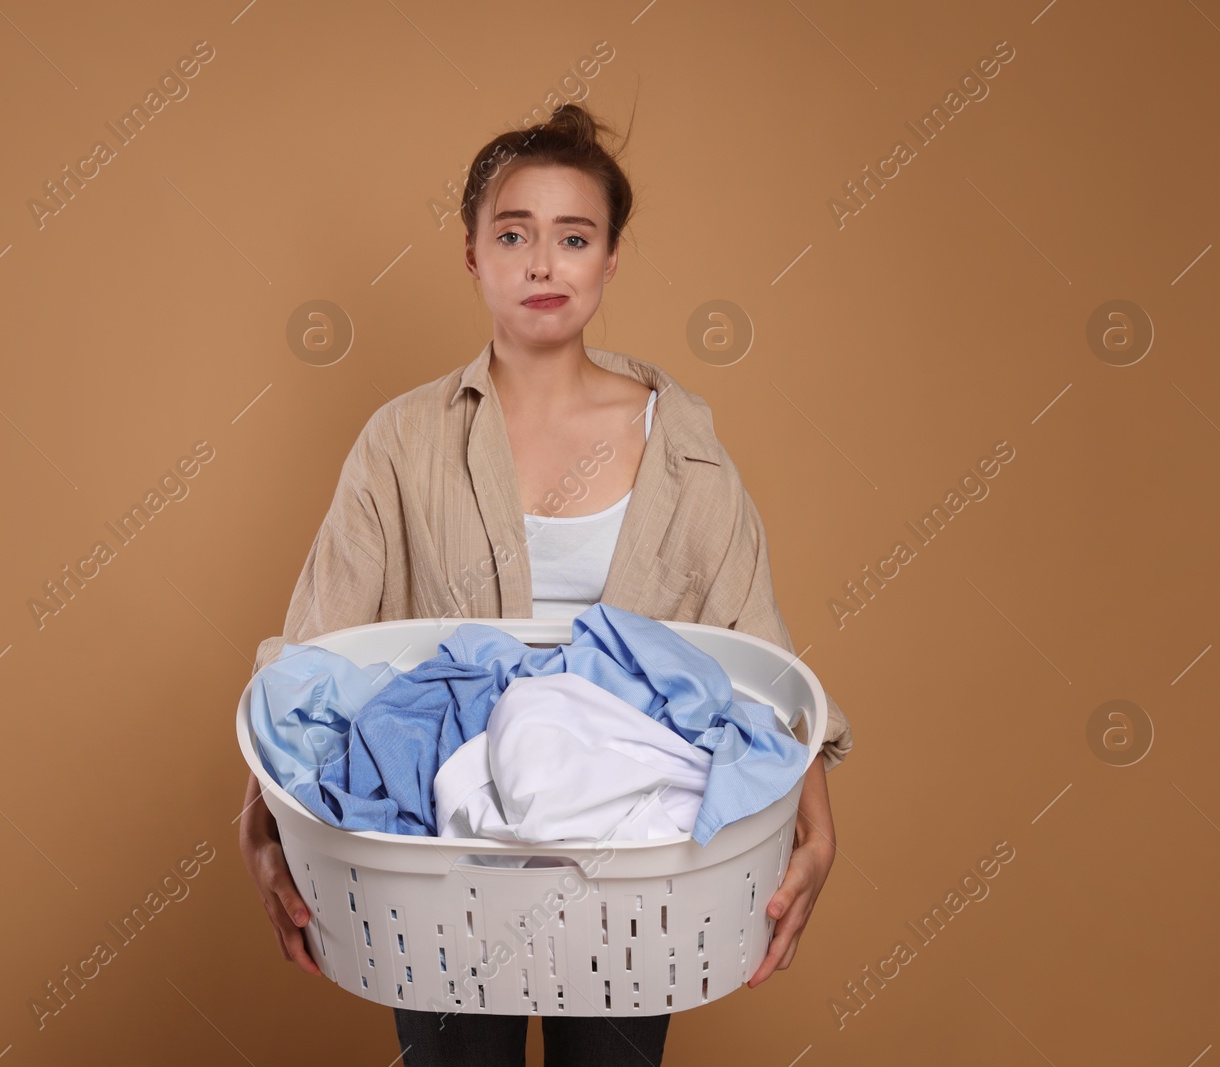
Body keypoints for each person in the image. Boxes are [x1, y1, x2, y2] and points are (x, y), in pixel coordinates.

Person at [238, 102, 854, 1066]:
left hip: (632, 859)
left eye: (574, 237)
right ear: (473, 256)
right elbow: (317, 655)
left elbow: (756, 652)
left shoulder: (681, 443)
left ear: (609, 261)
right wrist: (260, 818)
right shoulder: (402, 443)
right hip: (441, 852)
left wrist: (816, 828)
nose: (542, 262)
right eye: (512, 234)